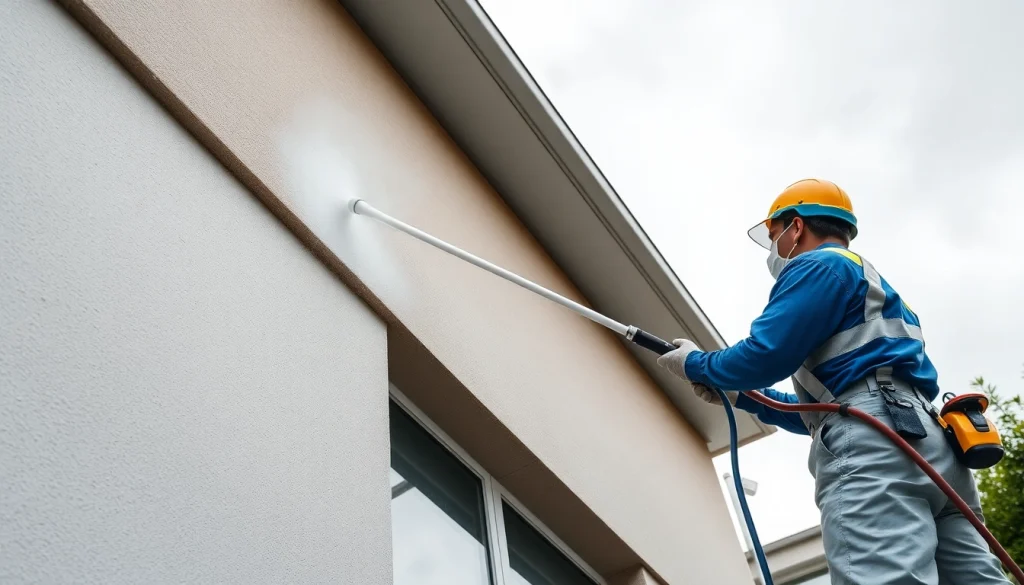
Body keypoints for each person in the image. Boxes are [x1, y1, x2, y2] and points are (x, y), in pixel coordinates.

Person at [656, 179, 1009, 585]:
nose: (774, 250)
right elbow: (823, 410)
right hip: (931, 441)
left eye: (774, 236)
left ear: (796, 228)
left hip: (876, 440)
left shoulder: (818, 265)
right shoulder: (869, 282)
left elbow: (765, 354)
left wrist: (697, 364)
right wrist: (743, 396)